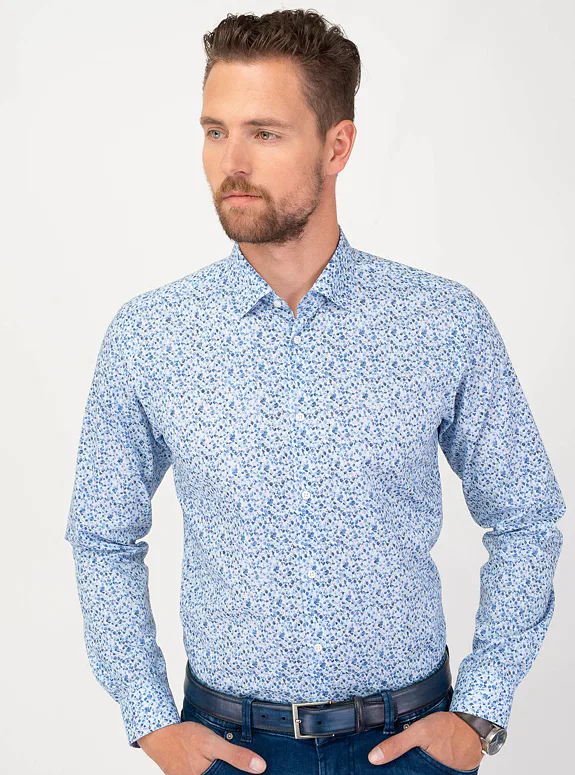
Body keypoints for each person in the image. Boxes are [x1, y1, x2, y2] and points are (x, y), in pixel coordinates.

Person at [64, 9, 565, 775]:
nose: (231, 162)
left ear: (337, 145)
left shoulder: (440, 321)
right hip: (229, 748)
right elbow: (102, 534)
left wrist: (479, 709)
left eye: (264, 133)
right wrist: (150, 718)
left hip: (410, 745)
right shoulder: (150, 335)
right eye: (214, 131)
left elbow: (525, 514)